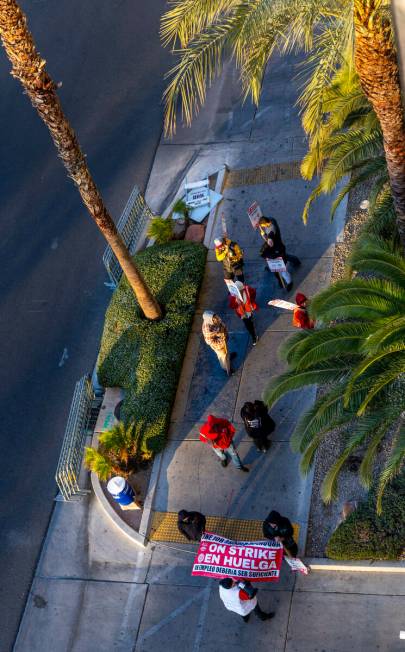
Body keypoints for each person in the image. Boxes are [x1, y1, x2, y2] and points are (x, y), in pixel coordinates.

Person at [201, 311, 235, 376]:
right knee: (222, 357)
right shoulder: (207, 328)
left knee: (226, 353)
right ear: (209, 320)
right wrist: (221, 342)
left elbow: (221, 325)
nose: (216, 318)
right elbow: (209, 342)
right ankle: (227, 369)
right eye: (214, 318)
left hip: (223, 341)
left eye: (215, 316)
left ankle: (228, 357)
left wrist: (224, 336)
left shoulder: (215, 319)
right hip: (218, 346)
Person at [228, 281, 258, 345]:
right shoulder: (232, 296)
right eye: (239, 291)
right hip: (242, 314)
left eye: (241, 290)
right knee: (248, 325)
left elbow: (254, 292)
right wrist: (236, 303)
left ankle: (253, 333)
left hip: (249, 310)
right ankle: (254, 337)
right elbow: (231, 306)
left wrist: (252, 301)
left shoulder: (247, 289)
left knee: (250, 321)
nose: (240, 292)